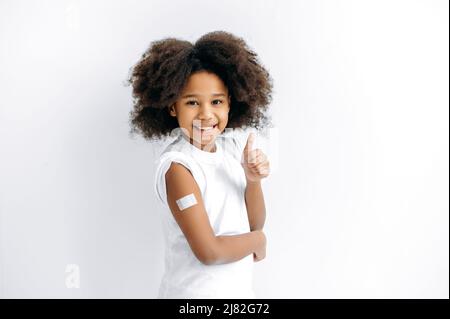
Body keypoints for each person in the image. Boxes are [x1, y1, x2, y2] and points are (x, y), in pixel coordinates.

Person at [126, 30, 273, 298]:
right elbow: (209, 251)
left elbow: (253, 224)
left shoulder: (231, 152)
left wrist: (253, 181)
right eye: (192, 102)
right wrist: (259, 242)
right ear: (173, 107)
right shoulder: (179, 167)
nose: (206, 114)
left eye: (216, 101)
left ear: (230, 102)